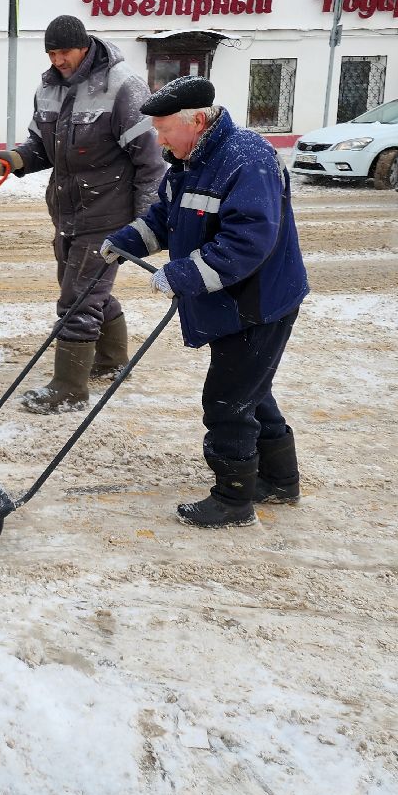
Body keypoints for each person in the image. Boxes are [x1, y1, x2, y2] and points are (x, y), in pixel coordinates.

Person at [100, 75, 309, 529]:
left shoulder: (246, 159)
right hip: (232, 301)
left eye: (163, 128)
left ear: (196, 120)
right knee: (251, 390)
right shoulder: (192, 159)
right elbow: (168, 217)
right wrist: (128, 241)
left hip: (257, 303)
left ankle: (234, 499)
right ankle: (279, 479)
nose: (159, 139)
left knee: (227, 400)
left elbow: (249, 240)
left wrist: (184, 275)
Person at [0, 14, 165, 414]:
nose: (57, 60)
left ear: (83, 45)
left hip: (108, 213)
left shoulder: (122, 86)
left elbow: (152, 162)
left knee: (78, 297)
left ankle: (69, 388)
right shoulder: (49, 86)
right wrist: (15, 159)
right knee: (86, 288)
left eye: (63, 51)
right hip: (68, 211)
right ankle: (113, 361)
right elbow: (42, 145)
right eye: (51, 52)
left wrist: (147, 223)